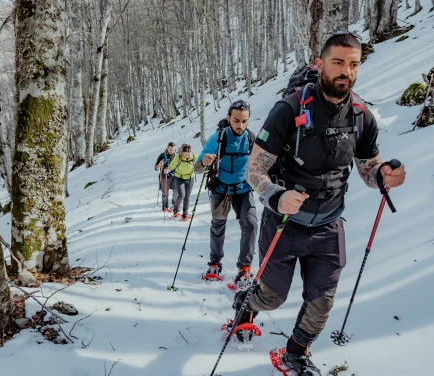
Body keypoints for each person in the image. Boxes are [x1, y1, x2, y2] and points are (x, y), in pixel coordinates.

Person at [235, 32, 406, 375]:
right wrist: (277, 195)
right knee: (273, 296)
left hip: (329, 225)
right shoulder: (289, 109)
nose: (346, 71)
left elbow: (368, 167)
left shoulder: (361, 116)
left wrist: (383, 176)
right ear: (320, 64)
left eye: (353, 64)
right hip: (284, 222)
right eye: (338, 62)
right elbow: (253, 170)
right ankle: (245, 303)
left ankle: (296, 352)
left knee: (322, 302)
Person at [194, 100, 257, 289]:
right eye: (236, 120)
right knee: (218, 224)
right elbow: (197, 168)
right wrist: (204, 162)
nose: (240, 125)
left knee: (251, 224)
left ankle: (244, 268)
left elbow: (262, 163)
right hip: (221, 189)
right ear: (229, 118)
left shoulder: (252, 139)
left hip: (243, 189)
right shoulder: (218, 138)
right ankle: (215, 263)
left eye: (244, 121)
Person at [165, 143, 197, 221]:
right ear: (182, 152)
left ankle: (185, 214)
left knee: (187, 197)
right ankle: (176, 211)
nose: (187, 154)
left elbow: (200, 164)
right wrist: (168, 170)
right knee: (181, 195)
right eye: (185, 153)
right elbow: (172, 165)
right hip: (179, 178)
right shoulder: (178, 157)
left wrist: (205, 170)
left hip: (190, 178)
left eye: (188, 152)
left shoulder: (194, 157)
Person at [154, 142, 178, 212]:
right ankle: (165, 207)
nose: (172, 151)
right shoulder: (162, 155)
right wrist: (160, 164)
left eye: (173, 150)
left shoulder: (176, 155)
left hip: (175, 175)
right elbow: (156, 168)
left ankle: (174, 204)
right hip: (165, 176)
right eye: (170, 150)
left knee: (176, 190)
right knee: (165, 192)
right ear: (167, 147)